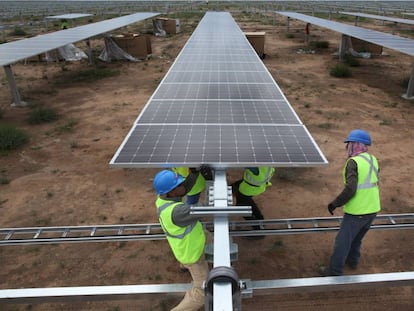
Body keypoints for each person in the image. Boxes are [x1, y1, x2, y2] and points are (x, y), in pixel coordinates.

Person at [323, 129, 380, 276]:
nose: (347, 146)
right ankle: (353, 261)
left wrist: (335, 203)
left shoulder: (353, 162)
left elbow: (351, 189)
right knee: (357, 238)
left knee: (342, 242)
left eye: (349, 143)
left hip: (357, 211)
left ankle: (334, 272)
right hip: (373, 208)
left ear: (355, 144)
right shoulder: (372, 159)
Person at [153, 168, 211, 311]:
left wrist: (195, 173)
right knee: (203, 291)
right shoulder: (178, 212)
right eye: (178, 185)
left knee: (209, 236)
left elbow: (185, 188)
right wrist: (210, 181)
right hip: (193, 254)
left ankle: (183, 266)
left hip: (190, 241)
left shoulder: (163, 198)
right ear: (171, 192)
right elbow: (207, 208)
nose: (183, 185)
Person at [231, 167, 275, 233]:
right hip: (258, 187)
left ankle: (257, 229)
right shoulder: (268, 165)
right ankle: (260, 219)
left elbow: (242, 164)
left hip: (248, 189)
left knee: (241, 207)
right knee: (247, 200)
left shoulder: (256, 169)